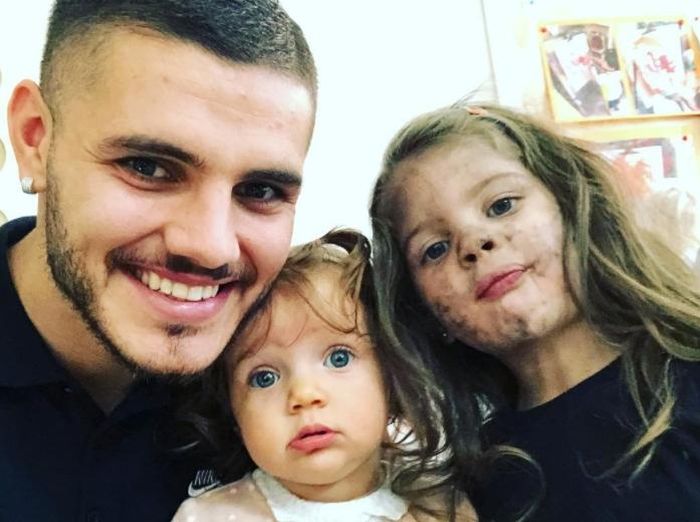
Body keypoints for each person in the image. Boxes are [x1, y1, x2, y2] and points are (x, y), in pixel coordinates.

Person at [1, 1, 316, 520]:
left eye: (260, 190)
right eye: (148, 167)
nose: (212, 246)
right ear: (35, 137)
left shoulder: (293, 376)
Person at [369, 103, 700, 521]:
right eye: (434, 249)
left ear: (574, 206)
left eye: (502, 205)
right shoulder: (474, 485)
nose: (473, 241)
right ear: (422, 309)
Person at [171, 230, 476, 522]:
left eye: (338, 358)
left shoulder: (442, 508)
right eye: (264, 378)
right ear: (234, 417)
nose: (304, 394)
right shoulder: (208, 517)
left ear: (391, 380)